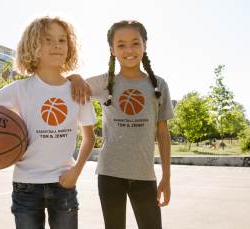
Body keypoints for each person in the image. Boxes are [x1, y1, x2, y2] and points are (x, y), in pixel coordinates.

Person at [0, 16, 98, 229]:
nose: (56, 44)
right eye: (47, 39)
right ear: (32, 46)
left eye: (62, 40)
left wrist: (77, 170)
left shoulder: (78, 90)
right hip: (26, 187)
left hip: (64, 184)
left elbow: (90, 138)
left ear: (69, 47)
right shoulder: (20, 89)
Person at [68, 20, 174, 229]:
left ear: (145, 45)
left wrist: (166, 178)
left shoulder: (158, 85)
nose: (129, 50)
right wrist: (75, 76)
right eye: (121, 45)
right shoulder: (104, 83)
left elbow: (162, 133)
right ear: (112, 49)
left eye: (135, 43)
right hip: (110, 174)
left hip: (144, 174)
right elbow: (65, 85)